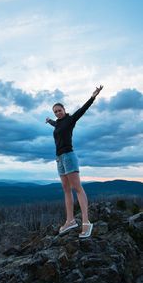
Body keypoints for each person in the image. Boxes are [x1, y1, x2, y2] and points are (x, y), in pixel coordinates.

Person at [46, 85, 103, 238]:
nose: (58, 113)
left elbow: (82, 110)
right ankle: (70, 220)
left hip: (69, 157)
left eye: (59, 110)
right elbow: (56, 124)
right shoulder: (57, 123)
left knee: (77, 188)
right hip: (59, 159)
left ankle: (86, 222)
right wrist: (49, 120)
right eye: (55, 112)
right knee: (66, 189)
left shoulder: (70, 120)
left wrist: (92, 97)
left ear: (64, 110)